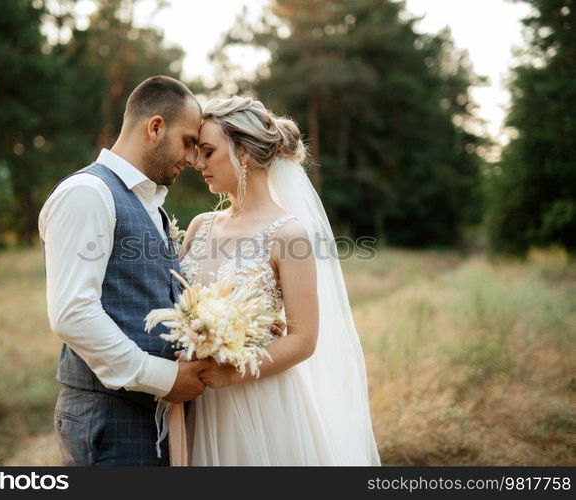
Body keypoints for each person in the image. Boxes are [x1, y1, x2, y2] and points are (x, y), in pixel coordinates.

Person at [179, 96, 381, 465]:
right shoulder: (200, 226)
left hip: (258, 400)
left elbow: (304, 339)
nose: (197, 162)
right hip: (195, 400)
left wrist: (231, 371)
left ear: (243, 153)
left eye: (208, 151)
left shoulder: (288, 235)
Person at [39, 75, 210, 466]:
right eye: (188, 142)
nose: (192, 159)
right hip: (108, 416)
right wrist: (164, 378)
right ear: (155, 127)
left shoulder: (151, 203)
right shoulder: (87, 193)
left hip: (146, 415)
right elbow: (72, 314)